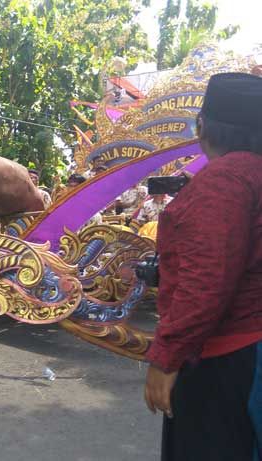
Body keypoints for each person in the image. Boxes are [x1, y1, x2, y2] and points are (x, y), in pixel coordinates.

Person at [143, 72, 262, 460]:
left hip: (228, 358)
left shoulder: (225, 180)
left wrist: (166, 357)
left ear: (204, 126)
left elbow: (206, 280)